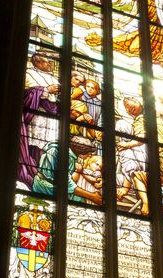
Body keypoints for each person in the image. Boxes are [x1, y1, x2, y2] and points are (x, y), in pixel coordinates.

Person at [18, 54, 60, 189]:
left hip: (51, 118)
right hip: (36, 114)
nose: (50, 65)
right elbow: (27, 93)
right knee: (33, 143)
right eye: (47, 62)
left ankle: (45, 173)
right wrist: (46, 90)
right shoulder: (29, 74)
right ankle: (33, 171)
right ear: (38, 63)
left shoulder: (53, 77)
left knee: (46, 146)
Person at [85, 0, 163, 67]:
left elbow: (141, 13)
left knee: (135, 48)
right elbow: (135, 12)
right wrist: (124, 22)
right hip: (144, 27)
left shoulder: (152, 3)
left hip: (154, 28)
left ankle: (155, 53)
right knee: (133, 47)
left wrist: (124, 22)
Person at [32, 136, 102, 205]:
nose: (89, 156)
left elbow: (80, 173)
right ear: (81, 151)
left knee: (80, 200)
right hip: (46, 188)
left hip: (59, 188)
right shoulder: (57, 152)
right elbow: (66, 182)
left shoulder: (74, 156)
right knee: (79, 201)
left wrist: (96, 181)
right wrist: (92, 196)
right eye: (88, 154)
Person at [116, 97, 149, 216]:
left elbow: (142, 138)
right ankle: (144, 200)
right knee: (132, 168)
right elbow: (130, 170)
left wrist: (127, 144)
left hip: (147, 159)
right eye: (127, 108)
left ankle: (145, 202)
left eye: (132, 105)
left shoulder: (143, 120)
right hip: (140, 166)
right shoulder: (125, 150)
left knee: (135, 172)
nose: (130, 109)